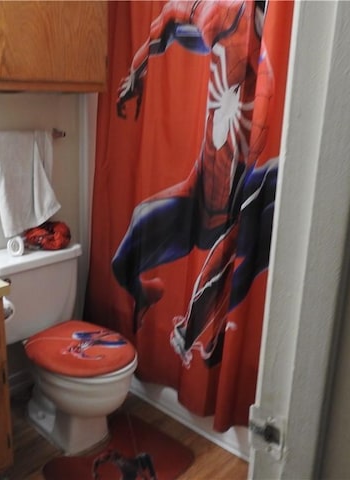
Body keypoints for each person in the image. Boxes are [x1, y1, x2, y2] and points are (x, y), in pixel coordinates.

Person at [112, 0, 277, 366]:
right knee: (121, 262)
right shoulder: (222, 14)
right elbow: (170, 15)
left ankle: (208, 336)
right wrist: (138, 69)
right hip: (196, 195)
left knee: (271, 189)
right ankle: (147, 299)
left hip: (234, 216)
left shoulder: (267, 78)